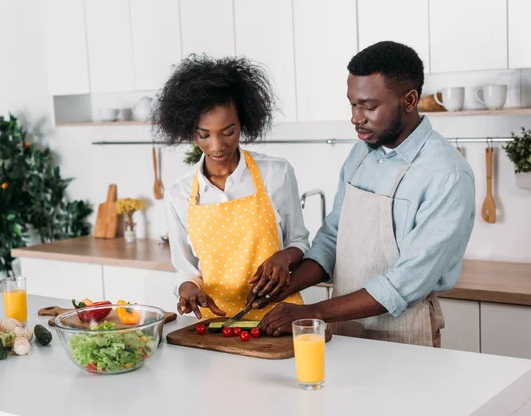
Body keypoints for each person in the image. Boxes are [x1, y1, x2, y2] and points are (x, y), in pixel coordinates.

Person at [252, 41, 476, 347]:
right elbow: (333, 238)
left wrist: (313, 312)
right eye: (353, 104)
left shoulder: (447, 175)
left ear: (409, 100)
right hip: (343, 328)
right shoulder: (361, 154)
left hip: (405, 335)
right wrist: (284, 286)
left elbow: (407, 282)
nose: (356, 117)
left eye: (369, 106)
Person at [153, 54, 309, 320]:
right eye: (204, 135)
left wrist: (284, 257)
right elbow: (186, 269)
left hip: (278, 316)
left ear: (243, 123)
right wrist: (188, 288)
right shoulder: (178, 194)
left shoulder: (277, 173)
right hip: (215, 324)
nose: (217, 146)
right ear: (190, 130)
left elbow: (299, 242)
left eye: (228, 132)